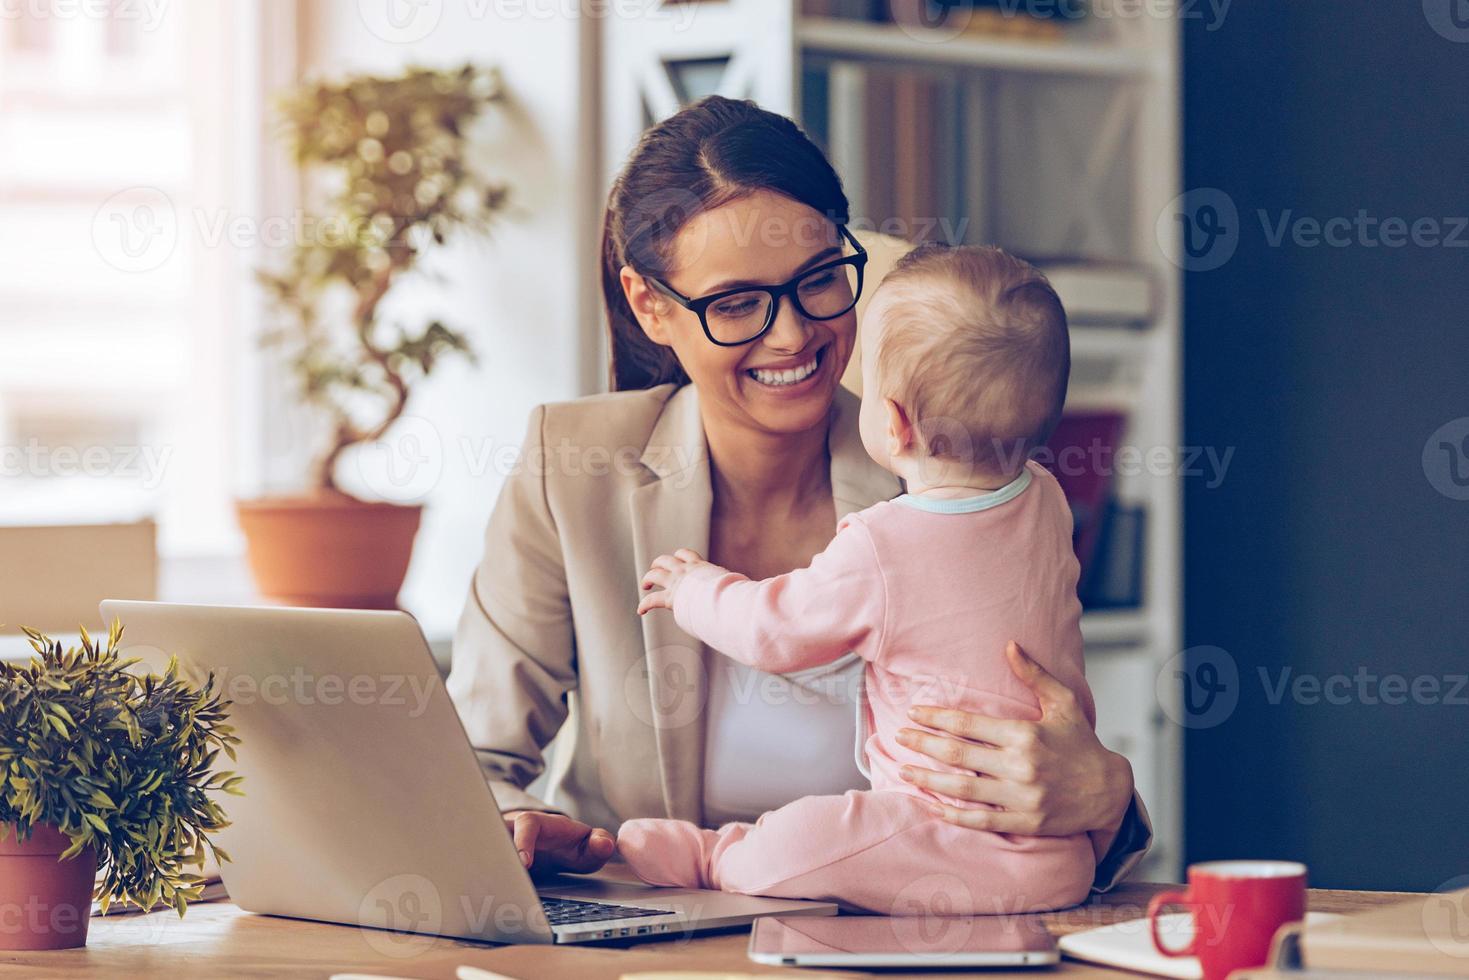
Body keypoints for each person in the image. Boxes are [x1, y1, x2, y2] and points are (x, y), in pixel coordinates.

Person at [446, 95, 1151, 889]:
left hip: (897, 936)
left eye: (819, 280)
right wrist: (516, 826)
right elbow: (471, 759)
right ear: (651, 306)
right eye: (737, 303)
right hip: (650, 934)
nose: (792, 335)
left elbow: (1043, 726)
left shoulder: (948, 468)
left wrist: (1105, 794)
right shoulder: (569, 465)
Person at [618, 243, 1094, 914]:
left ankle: (714, 855)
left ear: (892, 423)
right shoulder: (1045, 501)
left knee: (809, 834)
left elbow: (773, 631)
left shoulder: (883, 542)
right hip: (1058, 856)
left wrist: (691, 588)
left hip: (942, 830)